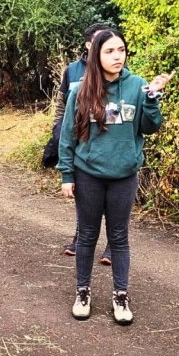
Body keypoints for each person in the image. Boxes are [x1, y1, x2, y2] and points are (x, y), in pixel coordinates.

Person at [57, 29, 174, 325]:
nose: (117, 56)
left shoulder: (137, 86)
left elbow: (149, 127)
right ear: (96, 54)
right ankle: (82, 292)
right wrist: (66, 174)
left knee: (119, 238)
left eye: (121, 50)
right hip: (88, 175)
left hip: (124, 175)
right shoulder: (81, 90)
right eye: (109, 51)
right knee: (86, 236)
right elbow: (68, 135)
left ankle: (120, 296)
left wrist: (152, 98)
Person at [41, 23, 115, 264]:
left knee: (111, 199)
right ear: (87, 45)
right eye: (98, 42)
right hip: (77, 140)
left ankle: (112, 247)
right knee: (83, 194)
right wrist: (58, 128)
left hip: (105, 143)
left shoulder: (115, 71)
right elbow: (62, 104)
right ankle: (80, 237)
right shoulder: (71, 70)